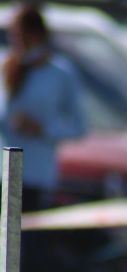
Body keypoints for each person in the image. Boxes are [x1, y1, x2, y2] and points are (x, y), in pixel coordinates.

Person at [0, 4, 85, 211]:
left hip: (35, 175)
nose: (17, 42)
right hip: (2, 172)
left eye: (21, 35)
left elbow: (79, 127)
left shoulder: (60, 73)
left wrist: (42, 129)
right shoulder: (4, 65)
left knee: (27, 240)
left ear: (37, 35)